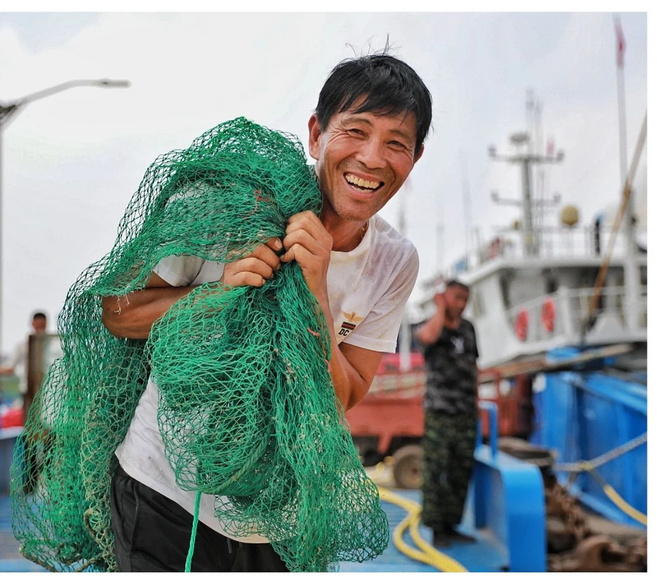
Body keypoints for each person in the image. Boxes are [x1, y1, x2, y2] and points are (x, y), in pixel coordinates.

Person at [101, 52, 431, 572]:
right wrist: (215, 293)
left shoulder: (395, 262)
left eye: (396, 143)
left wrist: (316, 289)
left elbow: (342, 397)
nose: (371, 158)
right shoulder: (226, 205)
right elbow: (117, 312)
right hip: (162, 490)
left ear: (414, 158)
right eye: (356, 131)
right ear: (317, 134)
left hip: (280, 514)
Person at [414, 280, 479, 548]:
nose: (461, 304)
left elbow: (476, 366)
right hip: (440, 412)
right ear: (445, 298)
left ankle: (452, 524)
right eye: (456, 298)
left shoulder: (468, 329)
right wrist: (439, 309)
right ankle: (436, 528)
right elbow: (426, 337)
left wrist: (477, 404)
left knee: (460, 470)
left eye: (465, 299)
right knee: (435, 470)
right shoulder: (435, 327)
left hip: (465, 413)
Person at [0, 311, 50, 421]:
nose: (40, 329)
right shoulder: (23, 346)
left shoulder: (51, 345)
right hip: (28, 390)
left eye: (42, 326)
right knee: (29, 420)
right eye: (38, 326)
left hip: (49, 391)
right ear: (32, 324)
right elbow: (10, 367)